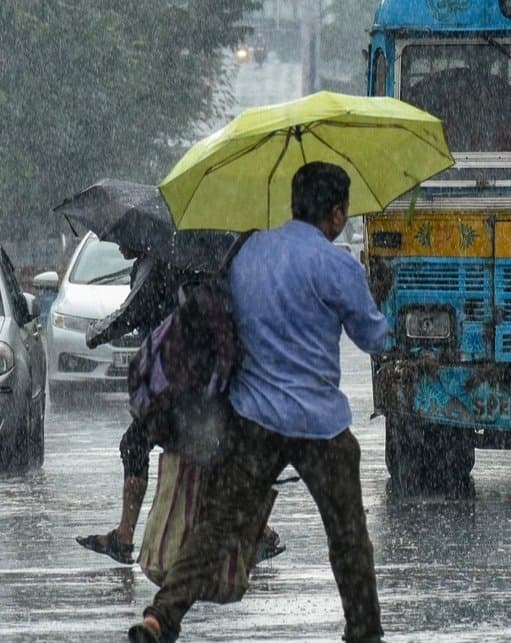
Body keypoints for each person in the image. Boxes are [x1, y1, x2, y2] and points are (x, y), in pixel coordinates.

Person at [128, 162, 392, 643]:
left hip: (253, 420)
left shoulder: (247, 252)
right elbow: (374, 338)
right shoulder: (337, 265)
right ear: (335, 214)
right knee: (348, 537)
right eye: (343, 214)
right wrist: (380, 293)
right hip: (321, 426)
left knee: (219, 525)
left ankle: (161, 616)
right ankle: (364, 631)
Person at [75, 245, 285, 565]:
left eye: (124, 238)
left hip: (178, 382)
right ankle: (260, 532)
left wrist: (95, 334)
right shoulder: (196, 260)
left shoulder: (157, 264)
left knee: (139, 445)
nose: (118, 244)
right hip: (201, 377)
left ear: (143, 236)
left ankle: (125, 536)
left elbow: (133, 311)